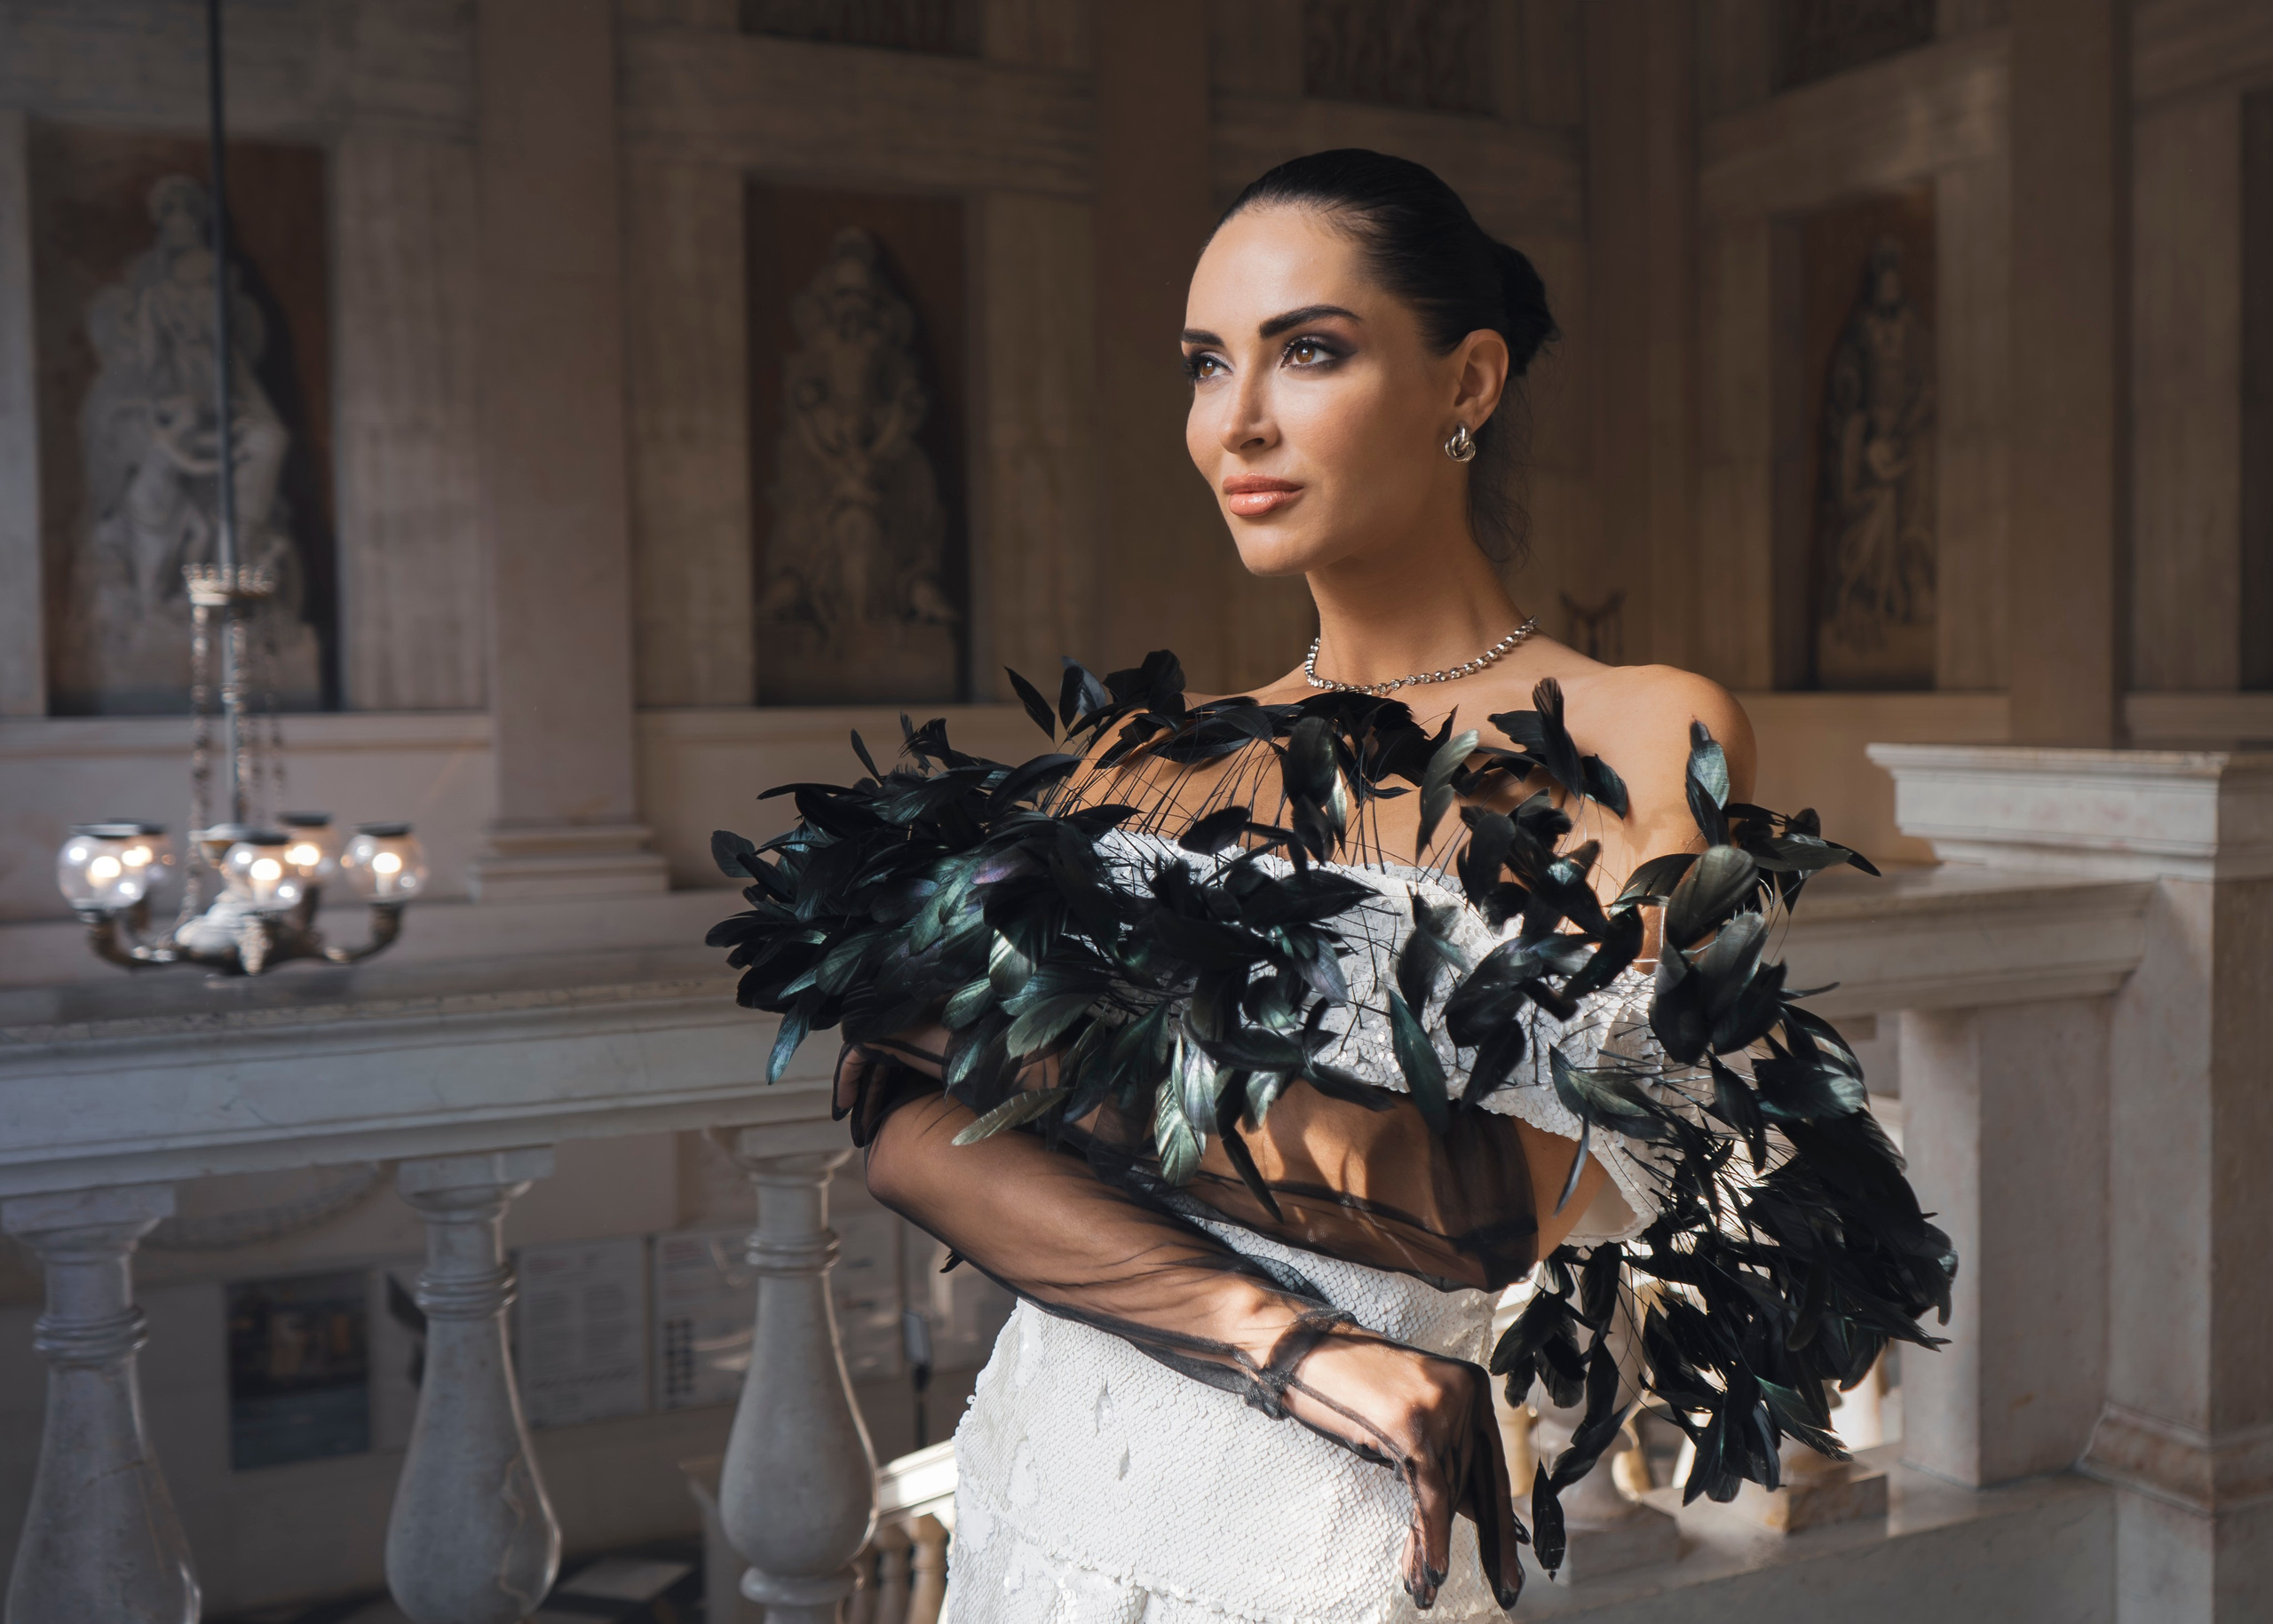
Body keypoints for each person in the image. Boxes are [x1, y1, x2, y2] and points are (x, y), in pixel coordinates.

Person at [714, 149, 1952, 1620]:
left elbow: (1521, 1195)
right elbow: (913, 1143)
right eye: (1203, 364)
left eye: (1308, 352)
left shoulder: (1643, 731)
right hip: (1049, 1478)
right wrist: (1294, 1345)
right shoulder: (1136, 760)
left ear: (1468, 384)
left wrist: (1053, 1077)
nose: (1234, 422)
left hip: (1319, 1542)